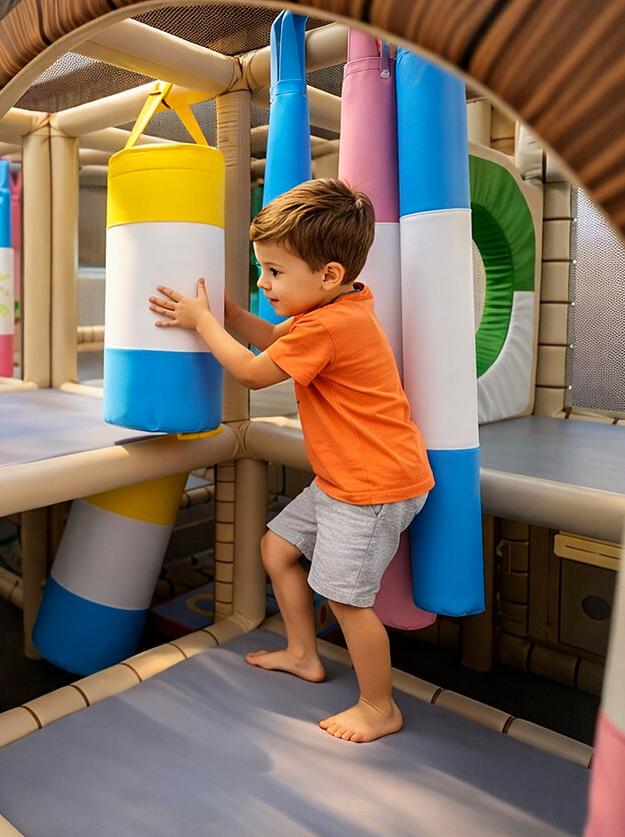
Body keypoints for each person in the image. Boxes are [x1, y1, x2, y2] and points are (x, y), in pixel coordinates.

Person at [148, 178, 434, 743]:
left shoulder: (329, 324)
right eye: (262, 269)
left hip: (372, 488)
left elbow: (254, 373)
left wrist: (204, 324)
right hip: (344, 479)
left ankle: (379, 706)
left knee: (347, 600)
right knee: (277, 549)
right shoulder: (341, 304)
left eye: (274, 271)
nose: (264, 282)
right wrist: (232, 314)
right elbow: (276, 339)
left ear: (328, 274)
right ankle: (304, 653)